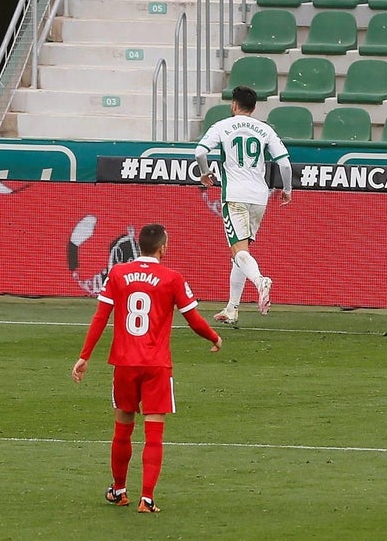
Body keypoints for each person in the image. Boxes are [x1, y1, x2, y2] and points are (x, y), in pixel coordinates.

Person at [71, 223, 222, 514]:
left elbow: (101, 316)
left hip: (124, 364)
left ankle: (118, 490)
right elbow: (193, 319)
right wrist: (214, 337)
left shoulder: (118, 274)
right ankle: (147, 499)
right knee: (154, 433)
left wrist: (84, 356)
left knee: (122, 429)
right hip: (156, 366)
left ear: (139, 246)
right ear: (163, 247)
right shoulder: (172, 278)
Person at [195, 85, 293, 325]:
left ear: (234, 105)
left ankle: (260, 281)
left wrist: (205, 173)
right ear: (254, 107)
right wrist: (287, 190)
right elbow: (286, 164)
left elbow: (200, 152)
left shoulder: (222, 126)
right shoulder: (264, 129)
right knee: (241, 253)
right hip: (260, 198)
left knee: (239, 252)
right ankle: (232, 308)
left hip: (235, 196)